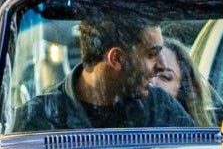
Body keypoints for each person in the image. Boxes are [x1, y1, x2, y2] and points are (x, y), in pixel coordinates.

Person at [15, 9, 195, 132]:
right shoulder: (37, 120)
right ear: (116, 59)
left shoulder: (160, 107)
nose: (163, 65)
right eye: (151, 54)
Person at [150, 29, 210, 123]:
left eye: (165, 77)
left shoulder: (197, 136)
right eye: (143, 74)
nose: (152, 82)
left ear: (183, 90)